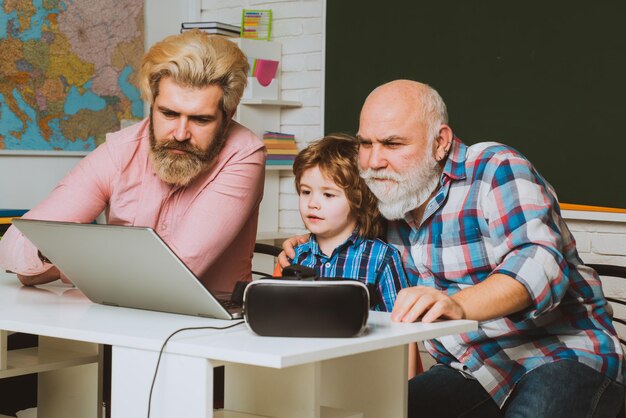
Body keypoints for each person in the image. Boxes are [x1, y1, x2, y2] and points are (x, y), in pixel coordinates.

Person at [281, 80, 625, 417]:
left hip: (561, 355)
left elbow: (539, 262)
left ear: (440, 142)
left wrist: (458, 304)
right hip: (471, 369)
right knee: (384, 411)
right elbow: (347, 230)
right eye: (366, 144)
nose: (373, 161)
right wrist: (308, 243)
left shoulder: (494, 168)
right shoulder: (387, 195)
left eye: (392, 144)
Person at [0, 30, 265, 293]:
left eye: (200, 119)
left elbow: (173, 275)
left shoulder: (245, 154)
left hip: (212, 327)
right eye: (169, 114)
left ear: (227, 117)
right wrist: (49, 256)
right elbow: (13, 248)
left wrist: (68, 259)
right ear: (152, 106)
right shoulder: (120, 149)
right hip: (118, 319)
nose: (181, 134)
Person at [286, 133, 408, 311]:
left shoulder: (381, 258)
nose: (312, 204)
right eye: (306, 192)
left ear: (358, 200)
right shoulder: (295, 256)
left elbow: (400, 327)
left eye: (328, 195)